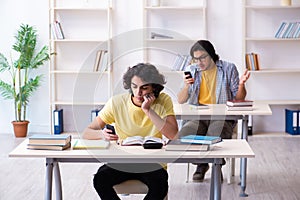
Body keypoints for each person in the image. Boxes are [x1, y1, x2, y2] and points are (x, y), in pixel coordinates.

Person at [83, 63, 178, 200]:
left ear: (154, 87)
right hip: (123, 160)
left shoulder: (164, 101)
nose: (138, 93)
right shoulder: (117, 103)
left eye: (144, 88)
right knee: (100, 179)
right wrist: (101, 134)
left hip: (153, 163)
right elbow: (87, 132)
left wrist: (148, 110)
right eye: (134, 87)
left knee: (160, 184)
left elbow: (173, 134)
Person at [177, 40, 250, 182]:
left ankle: (216, 165)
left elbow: (239, 98)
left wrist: (241, 84)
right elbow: (181, 100)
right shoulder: (191, 70)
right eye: (196, 59)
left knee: (214, 134)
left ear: (212, 55)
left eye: (203, 57)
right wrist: (186, 86)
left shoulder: (228, 68)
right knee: (185, 135)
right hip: (197, 117)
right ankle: (201, 164)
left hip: (222, 117)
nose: (199, 62)